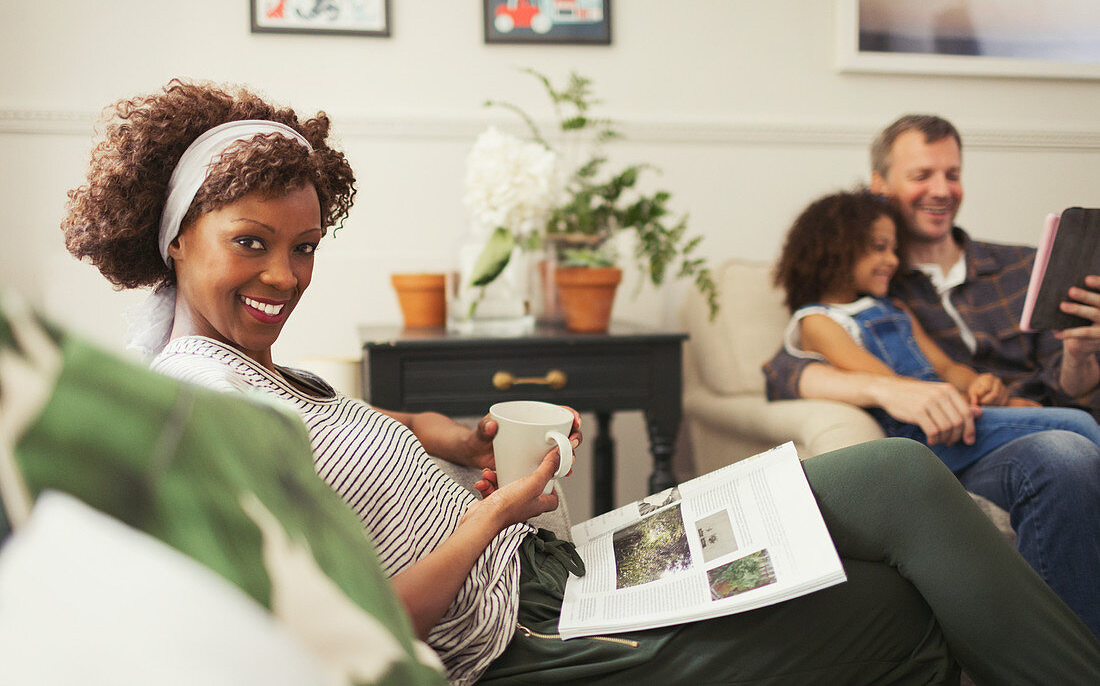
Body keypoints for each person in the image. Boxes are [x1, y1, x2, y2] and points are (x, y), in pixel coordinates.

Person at [62, 80, 1100, 684]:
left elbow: (329, 422)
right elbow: (348, 622)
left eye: (301, 245)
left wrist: (444, 434)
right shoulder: (200, 408)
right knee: (900, 615)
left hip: (565, 562)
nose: (284, 275)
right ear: (173, 234)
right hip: (529, 638)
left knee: (897, 480)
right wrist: (491, 516)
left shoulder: (248, 371)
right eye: (252, 242)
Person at [764, 114, 1100, 636]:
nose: (941, 190)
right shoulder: (882, 290)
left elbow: (992, 373)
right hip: (955, 436)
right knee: (1069, 444)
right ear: (881, 188)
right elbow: (784, 370)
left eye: (952, 173)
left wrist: (1078, 356)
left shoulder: (1021, 267)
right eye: (922, 175)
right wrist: (891, 388)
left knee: (1071, 439)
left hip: (1022, 411)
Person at [774, 189, 1100, 477]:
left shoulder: (894, 308)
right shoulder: (817, 321)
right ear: (836, 251)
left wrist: (976, 384)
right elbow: (894, 388)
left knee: (1068, 433)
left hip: (954, 418)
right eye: (879, 247)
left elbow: (944, 368)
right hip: (920, 432)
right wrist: (1006, 408)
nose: (892, 260)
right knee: (1078, 424)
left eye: (894, 249)